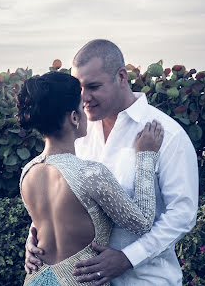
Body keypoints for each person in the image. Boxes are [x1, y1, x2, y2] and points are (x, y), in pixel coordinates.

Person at [25, 39, 199, 285]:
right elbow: (59, 196)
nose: (84, 97)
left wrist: (128, 258)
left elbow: (182, 214)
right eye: (79, 89)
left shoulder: (167, 135)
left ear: (121, 77)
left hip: (145, 280)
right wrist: (35, 238)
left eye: (93, 86)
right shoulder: (76, 130)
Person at [17, 71, 164, 285]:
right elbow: (141, 223)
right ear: (74, 117)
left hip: (36, 279)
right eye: (81, 107)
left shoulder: (28, 172)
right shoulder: (90, 174)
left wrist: (29, 242)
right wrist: (146, 156)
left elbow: (46, 223)